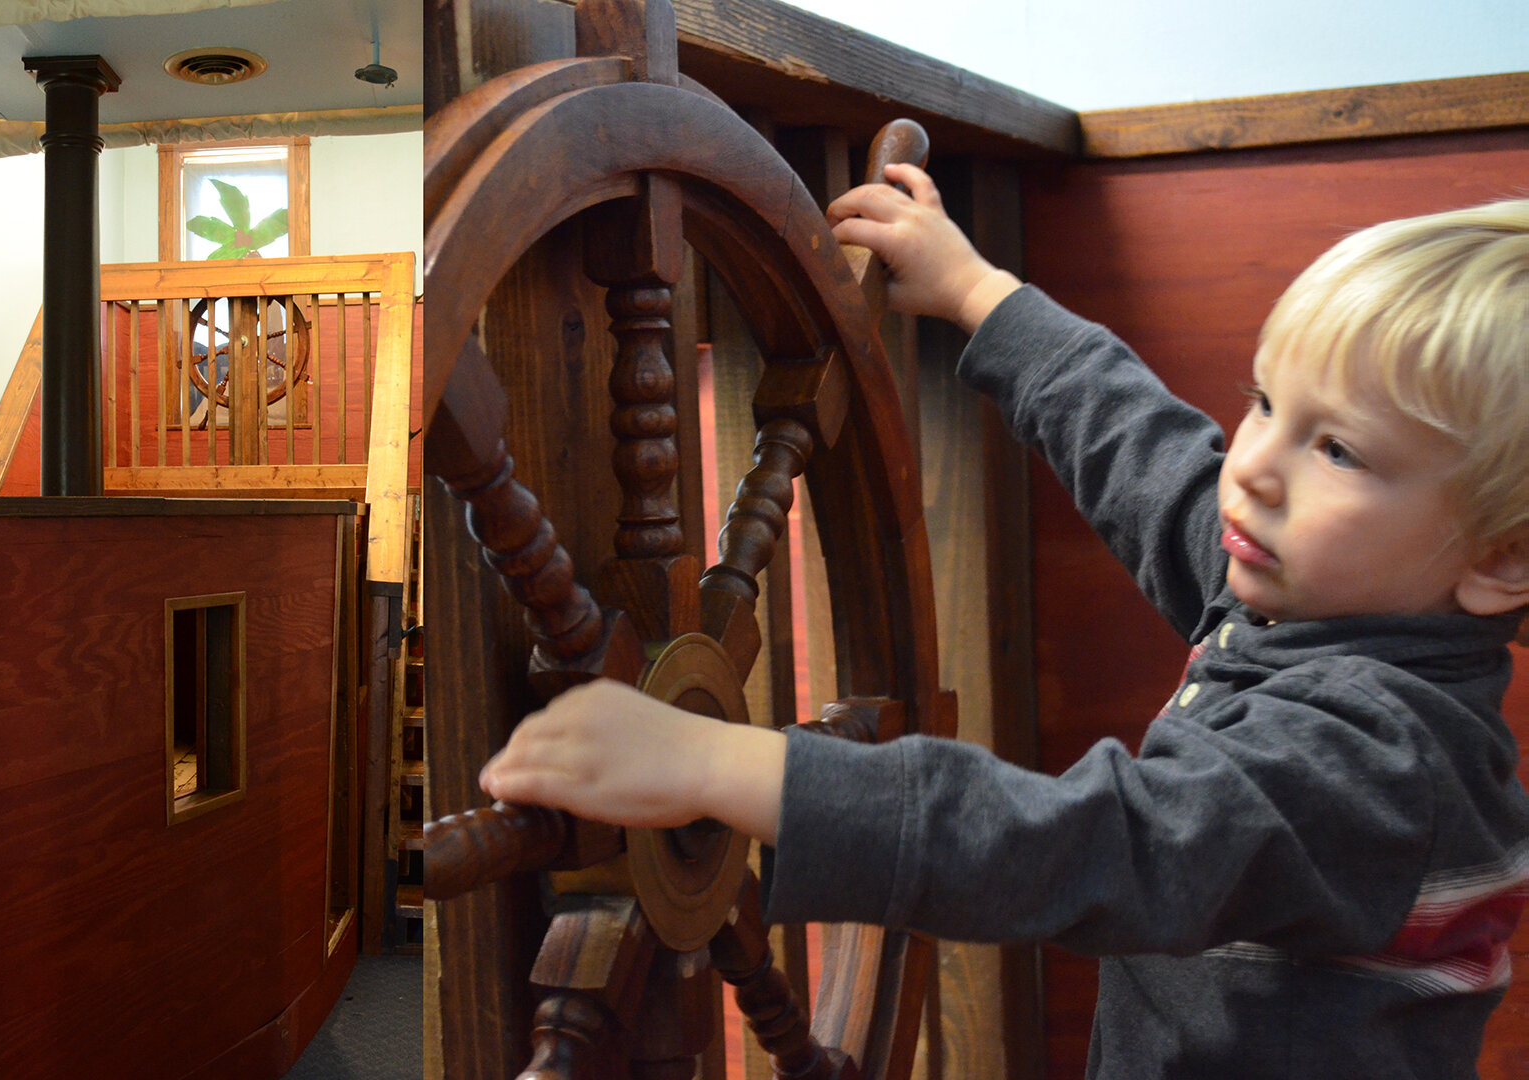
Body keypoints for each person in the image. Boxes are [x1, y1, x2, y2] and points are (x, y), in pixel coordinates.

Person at [479, 174, 1529, 1079]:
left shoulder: (1378, 765)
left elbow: (1091, 846)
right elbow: (1146, 452)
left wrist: (735, 769)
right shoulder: (1316, 598)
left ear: (1500, 558)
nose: (1254, 463)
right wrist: (980, 292)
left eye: (1338, 450)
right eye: (1265, 402)